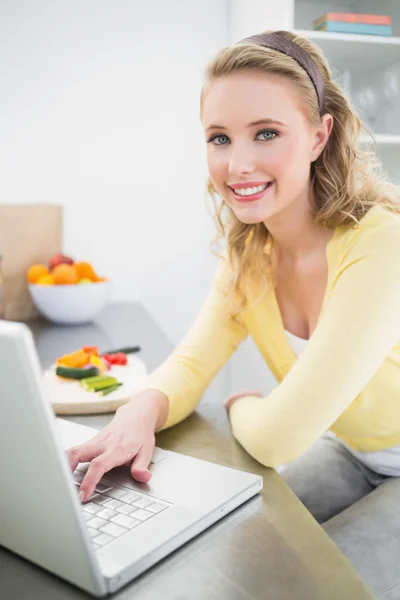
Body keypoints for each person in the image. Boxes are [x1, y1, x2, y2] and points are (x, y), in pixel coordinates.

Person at [67, 31, 400, 595]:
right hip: (355, 449)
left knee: (311, 583)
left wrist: (246, 402)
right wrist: (137, 412)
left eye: (266, 133)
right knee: (235, 550)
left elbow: (276, 439)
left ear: (320, 136)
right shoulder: (252, 254)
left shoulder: (381, 245)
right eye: (219, 138)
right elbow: (192, 364)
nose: (237, 164)